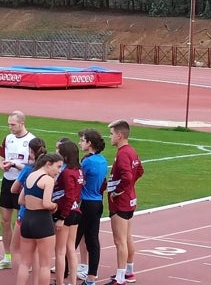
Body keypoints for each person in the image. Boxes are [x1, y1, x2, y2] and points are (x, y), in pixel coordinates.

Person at [0, 110, 36, 270]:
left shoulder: (32, 141)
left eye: (13, 124)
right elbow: (1, 159)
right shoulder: (8, 139)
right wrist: (3, 166)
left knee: (24, 222)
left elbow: (34, 166)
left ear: (21, 123)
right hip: (7, 182)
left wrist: (14, 165)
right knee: (5, 220)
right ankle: (8, 256)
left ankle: (27, 257)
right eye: (9, 124)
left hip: (24, 185)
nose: (10, 127)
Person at [16, 153, 63, 285]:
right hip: (42, 221)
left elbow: (21, 200)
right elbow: (47, 204)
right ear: (48, 163)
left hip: (27, 220)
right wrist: (56, 206)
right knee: (44, 264)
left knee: (25, 263)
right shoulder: (47, 180)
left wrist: (33, 202)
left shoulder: (30, 175)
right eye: (58, 167)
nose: (59, 171)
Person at [107, 120, 144, 285]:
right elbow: (140, 171)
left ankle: (120, 277)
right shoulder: (131, 151)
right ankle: (128, 272)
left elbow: (128, 176)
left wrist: (118, 191)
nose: (110, 137)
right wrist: (128, 188)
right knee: (127, 237)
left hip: (120, 202)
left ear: (119, 135)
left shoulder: (122, 153)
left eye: (111, 134)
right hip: (130, 199)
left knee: (119, 240)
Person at [10, 137, 47, 285]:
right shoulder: (48, 170)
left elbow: (14, 189)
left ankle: (19, 279)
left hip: (26, 213)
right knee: (37, 253)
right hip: (43, 215)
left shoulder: (28, 170)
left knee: (16, 250)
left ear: (31, 152)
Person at [75, 129, 108, 285]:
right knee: (92, 240)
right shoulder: (102, 160)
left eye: (82, 140)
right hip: (97, 202)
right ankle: (91, 277)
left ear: (89, 143)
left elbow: (79, 179)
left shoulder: (87, 161)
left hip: (86, 203)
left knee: (73, 239)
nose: (80, 143)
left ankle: (66, 275)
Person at [52, 139, 84, 285]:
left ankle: (60, 282)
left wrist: (62, 217)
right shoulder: (79, 170)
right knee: (71, 248)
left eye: (59, 151)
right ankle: (72, 282)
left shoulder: (66, 172)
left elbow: (69, 195)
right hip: (76, 210)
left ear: (65, 155)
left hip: (66, 212)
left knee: (60, 251)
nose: (56, 153)